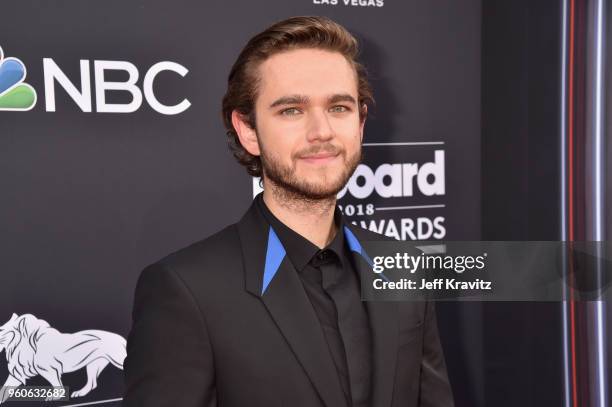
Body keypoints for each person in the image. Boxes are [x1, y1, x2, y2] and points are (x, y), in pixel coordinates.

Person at [123, 15, 454, 407]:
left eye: (339, 107)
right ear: (248, 130)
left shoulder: (404, 268)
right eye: (292, 110)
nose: (322, 131)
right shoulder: (187, 291)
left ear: (361, 123)